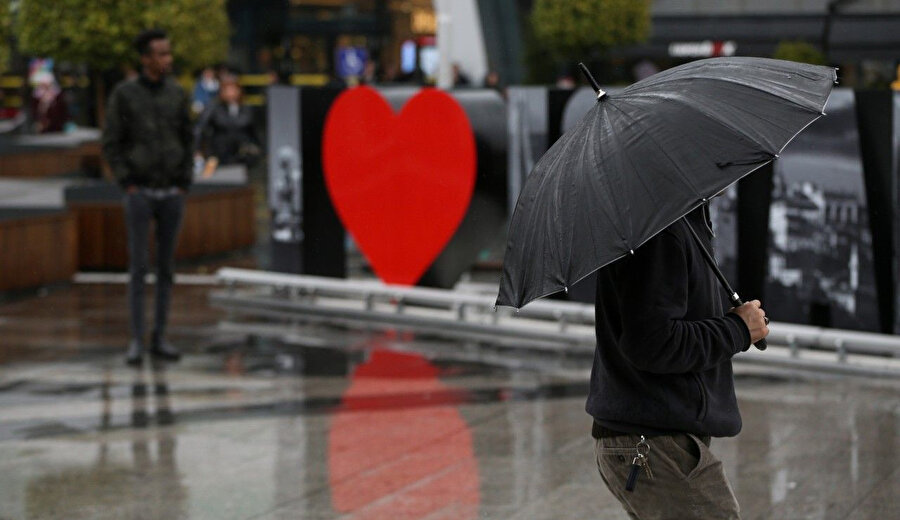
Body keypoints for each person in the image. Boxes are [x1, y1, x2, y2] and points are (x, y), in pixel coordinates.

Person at [589, 202, 769, 519]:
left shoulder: (678, 219)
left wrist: (733, 323)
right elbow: (651, 342)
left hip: (655, 436)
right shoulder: (660, 230)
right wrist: (737, 329)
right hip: (652, 442)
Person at [102, 28, 193, 366]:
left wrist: (185, 181)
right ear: (145, 59)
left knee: (166, 268)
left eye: (169, 53)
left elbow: (188, 136)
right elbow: (112, 142)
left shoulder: (176, 93)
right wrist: (127, 183)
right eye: (161, 54)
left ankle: (160, 337)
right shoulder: (125, 95)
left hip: (172, 192)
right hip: (139, 192)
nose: (167, 59)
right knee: (139, 267)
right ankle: (137, 340)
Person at [194, 77, 260, 176]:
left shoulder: (247, 109)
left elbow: (255, 132)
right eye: (227, 90)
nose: (230, 93)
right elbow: (200, 129)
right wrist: (198, 151)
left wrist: (256, 151)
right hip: (218, 156)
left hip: (242, 158)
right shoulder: (214, 108)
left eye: (233, 89)